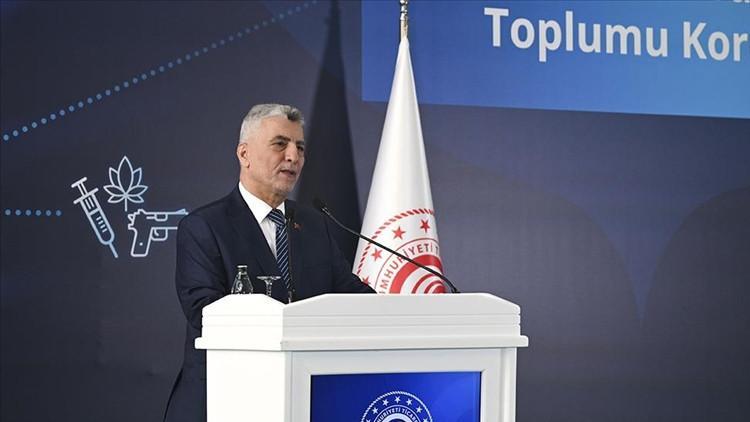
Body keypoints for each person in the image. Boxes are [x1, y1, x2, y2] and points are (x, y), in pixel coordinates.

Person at [163, 104, 374, 422]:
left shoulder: (315, 225)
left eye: (300, 147)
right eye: (280, 144)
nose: (293, 156)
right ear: (244, 154)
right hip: (226, 398)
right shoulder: (205, 226)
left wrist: (398, 311)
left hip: (303, 399)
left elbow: (351, 294)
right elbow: (204, 312)